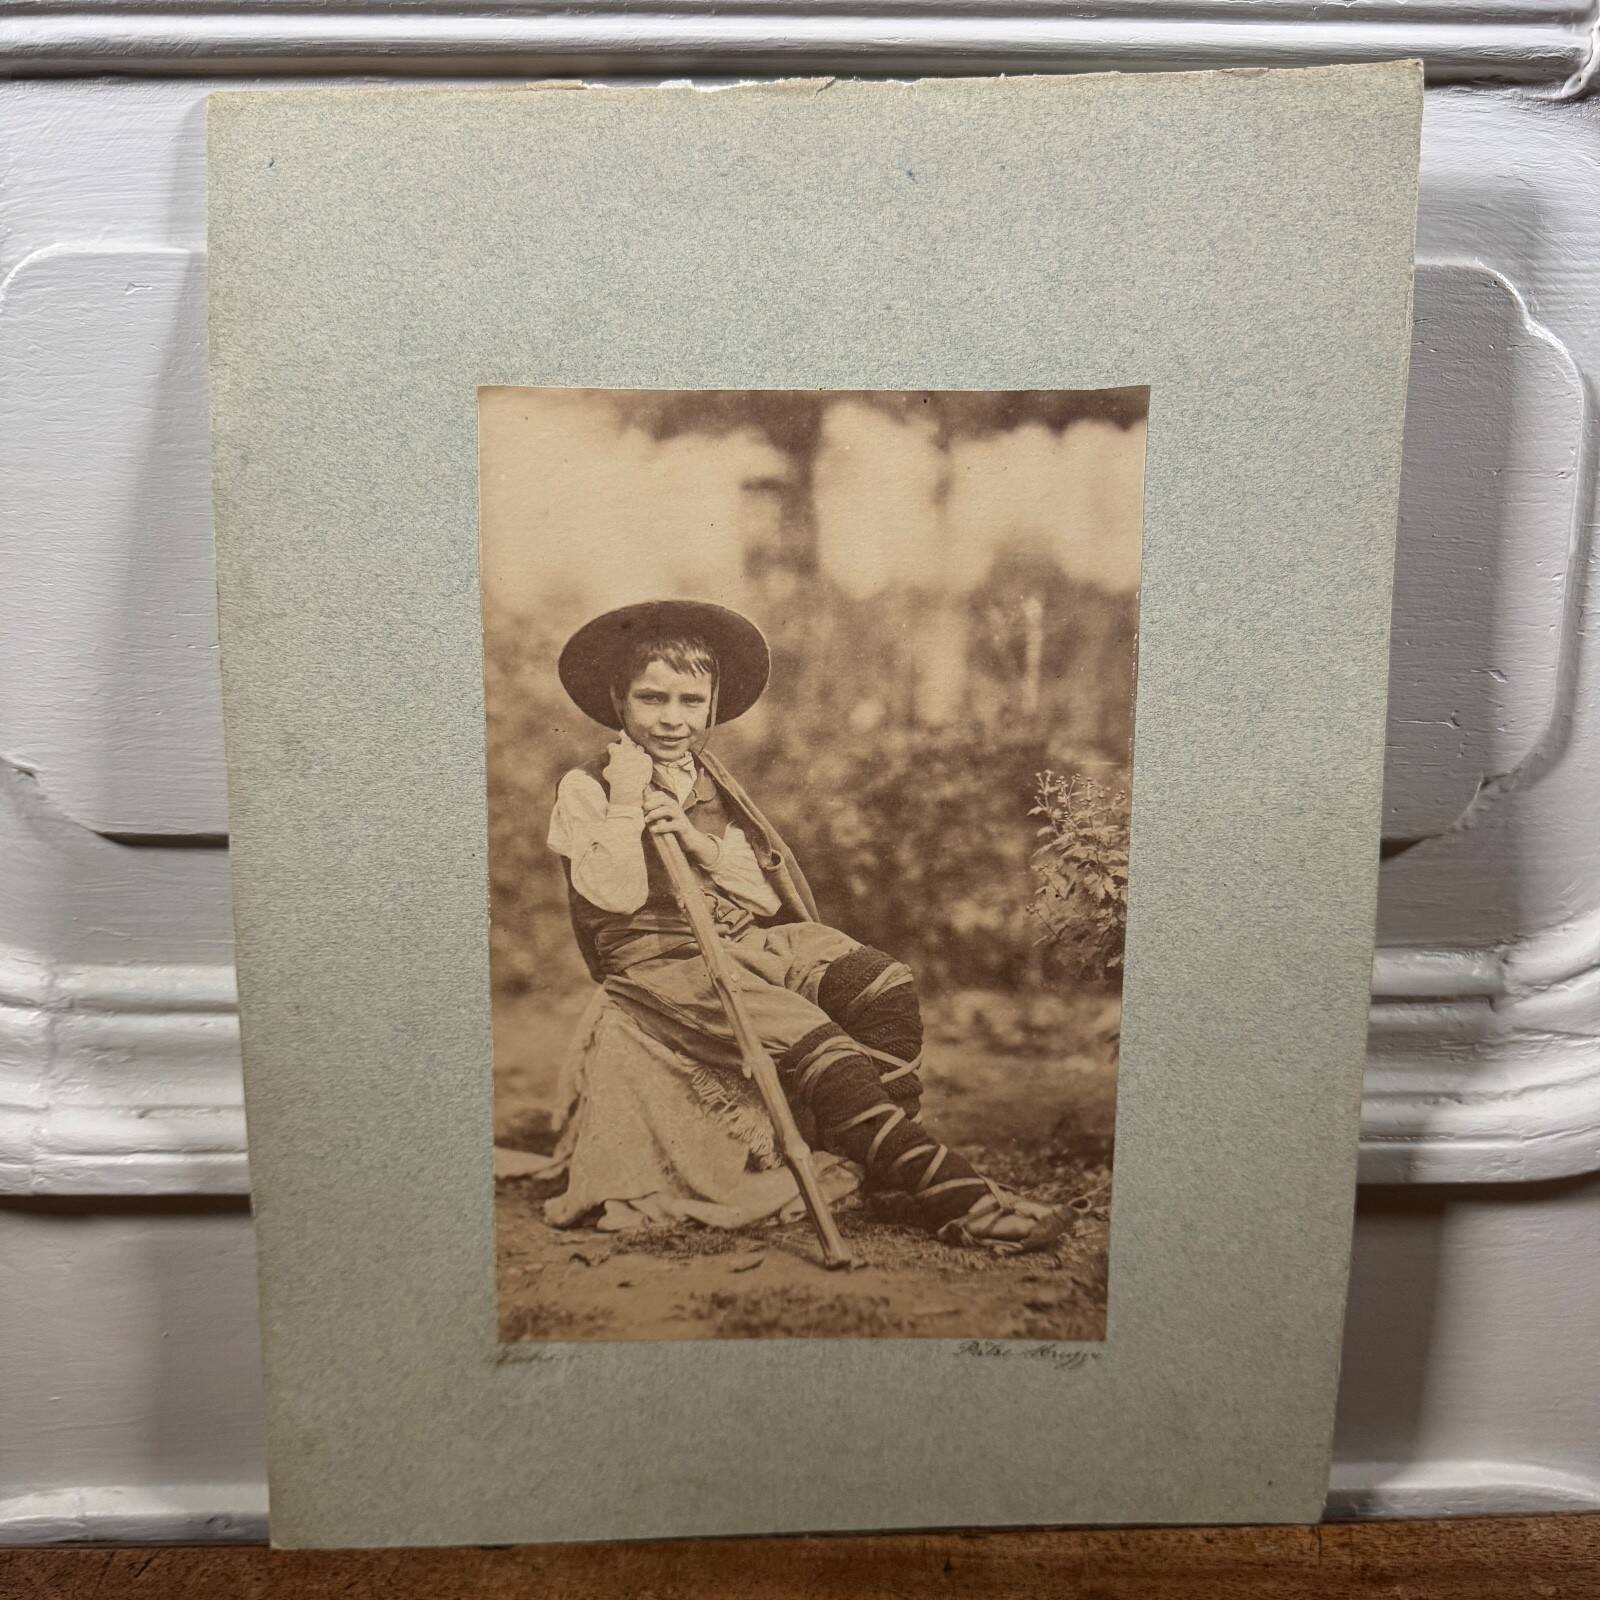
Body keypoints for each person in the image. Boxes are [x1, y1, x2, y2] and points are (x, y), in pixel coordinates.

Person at [548, 598, 1066, 1254]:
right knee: (810, 1037)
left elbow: (764, 896)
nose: (672, 719)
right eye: (653, 700)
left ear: (711, 704)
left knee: (879, 983)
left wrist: (702, 847)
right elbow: (612, 896)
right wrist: (627, 801)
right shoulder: (589, 787)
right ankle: (953, 1195)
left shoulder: (708, 777)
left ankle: (883, 1168)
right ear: (619, 700)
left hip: (739, 937)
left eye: (689, 700)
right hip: (657, 961)